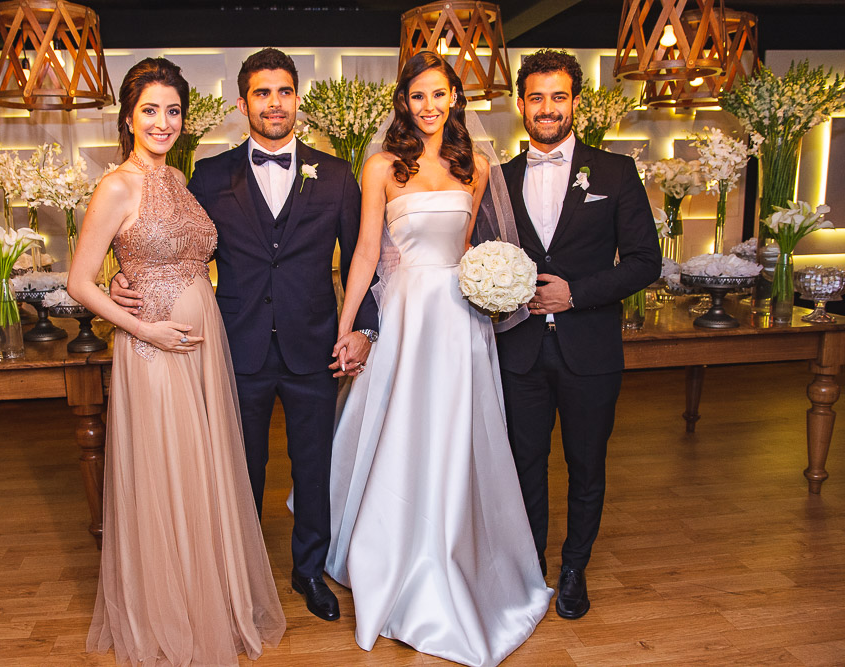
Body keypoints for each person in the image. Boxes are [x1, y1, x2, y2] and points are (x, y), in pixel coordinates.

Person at [110, 48, 379, 622]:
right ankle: (241, 575)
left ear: (297, 99)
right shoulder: (209, 175)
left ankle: (310, 571)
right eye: (262, 93)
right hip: (233, 346)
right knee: (236, 468)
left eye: (284, 92)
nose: (274, 103)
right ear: (242, 104)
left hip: (315, 346)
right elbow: (169, 240)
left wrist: (364, 328)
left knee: (315, 468)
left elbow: (365, 260)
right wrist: (123, 274)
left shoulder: (336, 175)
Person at [325, 51, 553, 667]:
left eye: (439, 94)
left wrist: (493, 286)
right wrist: (347, 328)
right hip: (404, 315)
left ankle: (453, 555)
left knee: (456, 434)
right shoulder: (381, 166)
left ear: (454, 98)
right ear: (404, 102)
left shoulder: (476, 165)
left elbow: (474, 244)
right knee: (402, 431)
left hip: (459, 320)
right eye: (417, 95)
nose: (428, 106)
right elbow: (365, 252)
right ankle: (391, 552)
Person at [68, 57, 285, 665]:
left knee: (202, 470)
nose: (162, 122)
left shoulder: (178, 179)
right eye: (150, 111)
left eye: (173, 111)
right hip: (153, 348)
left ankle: (207, 598)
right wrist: (145, 328)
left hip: (200, 343)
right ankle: (169, 611)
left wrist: (127, 280)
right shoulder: (117, 185)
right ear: (128, 118)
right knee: (168, 470)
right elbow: (78, 281)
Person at [495, 49, 660, 619]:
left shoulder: (614, 172)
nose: (547, 108)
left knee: (587, 465)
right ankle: (529, 569)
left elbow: (645, 262)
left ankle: (573, 570)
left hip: (590, 348)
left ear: (575, 103)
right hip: (518, 350)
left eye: (558, 97)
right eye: (536, 98)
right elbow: (483, 256)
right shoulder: (499, 180)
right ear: (521, 106)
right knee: (524, 464)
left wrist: (576, 293)